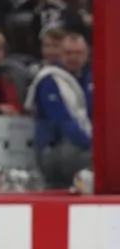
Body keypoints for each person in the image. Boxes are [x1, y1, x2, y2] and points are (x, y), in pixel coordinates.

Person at [27, 31, 92, 189]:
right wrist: (94, 146)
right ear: (60, 54)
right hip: (55, 149)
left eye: (78, 53)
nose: (73, 57)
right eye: (68, 53)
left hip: (85, 145)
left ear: (86, 54)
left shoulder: (91, 79)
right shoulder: (49, 80)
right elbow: (62, 123)